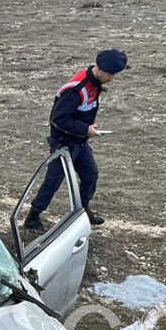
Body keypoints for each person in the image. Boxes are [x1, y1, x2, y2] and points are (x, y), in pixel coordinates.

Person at [25, 48, 128, 231]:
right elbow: (58, 119)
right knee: (53, 181)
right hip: (63, 143)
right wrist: (85, 129)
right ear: (100, 69)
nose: (112, 78)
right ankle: (32, 218)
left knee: (90, 175)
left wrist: (87, 127)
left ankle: (83, 210)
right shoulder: (76, 89)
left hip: (79, 141)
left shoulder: (94, 84)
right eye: (111, 74)